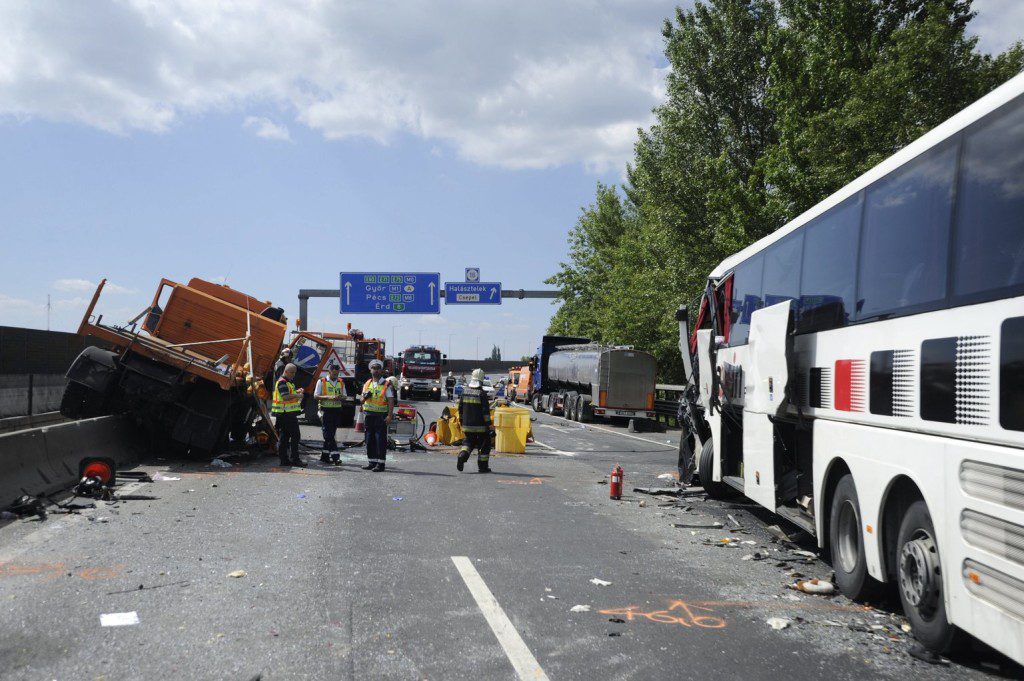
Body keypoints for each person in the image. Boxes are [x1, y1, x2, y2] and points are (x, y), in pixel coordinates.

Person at [360, 359, 394, 472]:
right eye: (374, 368)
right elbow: (361, 400)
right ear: (370, 370)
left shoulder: (386, 384)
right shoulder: (367, 383)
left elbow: (390, 401)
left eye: (378, 368)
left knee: (380, 440)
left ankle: (381, 464)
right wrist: (364, 397)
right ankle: (372, 461)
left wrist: (389, 415)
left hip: (381, 416)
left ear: (382, 371)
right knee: (369, 439)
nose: (376, 370)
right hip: (369, 415)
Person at [457, 368, 492, 473]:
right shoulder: (482, 394)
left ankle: (462, 456)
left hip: (467, 426)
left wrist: (463, 422)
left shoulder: (464, 392)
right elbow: (485, 412)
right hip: (481, 427)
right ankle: (483, 467)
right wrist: (489, 426)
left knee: (468, 443)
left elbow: (460, 409)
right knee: (484, 445)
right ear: (481, 380)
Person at [272, 363, 307, 467]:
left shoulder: (288, 382)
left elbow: (288, 394)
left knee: (285, 437)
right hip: (286, 414)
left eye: (294, 373)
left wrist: (296, 391)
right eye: (291, 372)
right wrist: (298, 395)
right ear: (286, 371)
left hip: (285, 414)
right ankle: (295, 459)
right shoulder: (282, 382)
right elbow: (285, 396)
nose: (293, 375)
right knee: (295, 436)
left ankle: (284, 460)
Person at [314, 363, 347, 464]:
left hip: (336, 411)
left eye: (337, 374)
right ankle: (336, 456)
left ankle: (324, 456)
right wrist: (329, 397)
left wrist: (340, 397)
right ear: (329, 372)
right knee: (328, 435)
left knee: (330, 434)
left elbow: (345, 396)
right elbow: (316, 396)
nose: (335, 376)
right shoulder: (322, 381)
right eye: (333, 374)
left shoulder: (341, 382)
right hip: (325, 411)